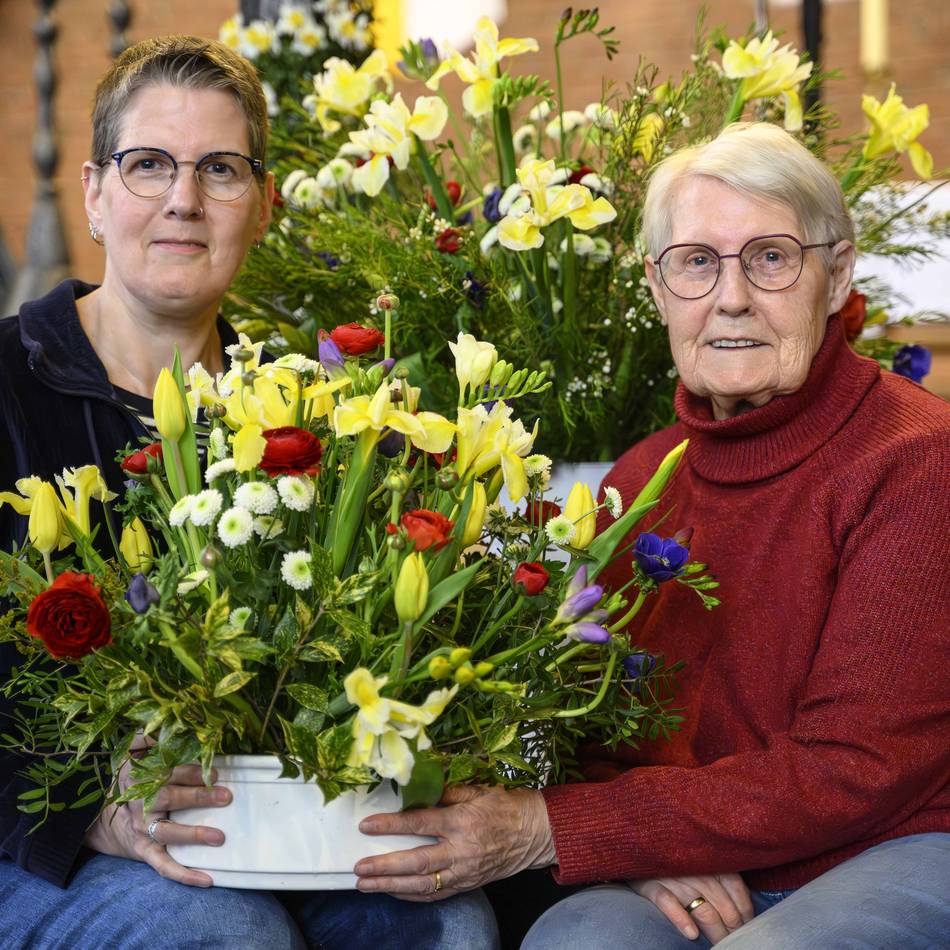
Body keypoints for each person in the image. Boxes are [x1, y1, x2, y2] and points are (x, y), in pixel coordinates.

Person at [351, 123, 950, 949]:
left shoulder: (918, 459)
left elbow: (854, 769)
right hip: (698, 853)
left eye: (771, 258)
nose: (731, 297)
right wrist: (635, 845)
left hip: (890, 844)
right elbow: (593, 732)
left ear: (837, 272)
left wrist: (563, 828)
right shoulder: (639, 480)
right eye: (697, 263)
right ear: (658, 287)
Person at [0, 35, 498, 950]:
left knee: (449, 925)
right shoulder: (7, 384)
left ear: (262, 207)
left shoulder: (312, 411)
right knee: (223, 932)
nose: (183, 200)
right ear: (94, 196)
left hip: (267, 823)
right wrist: (89, 813)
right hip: (34, 841)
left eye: (220, 170)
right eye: (148, 164)